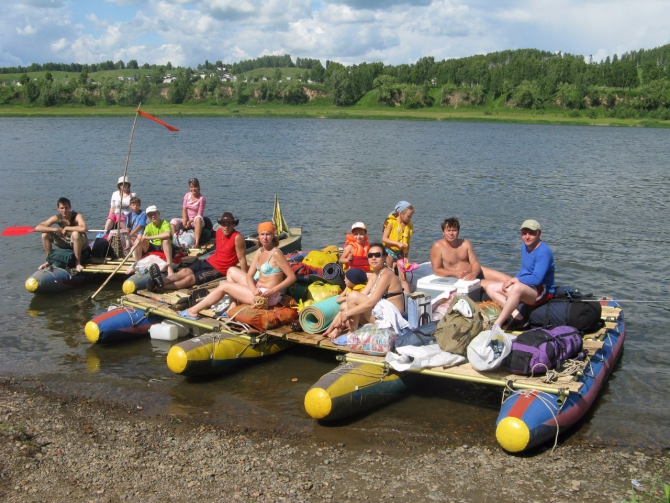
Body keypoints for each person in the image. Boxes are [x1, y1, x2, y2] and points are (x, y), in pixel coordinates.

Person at [178, 222, 296, 321]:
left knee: (224, 286)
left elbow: (291, 277)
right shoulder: (260, 251)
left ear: (273, 236)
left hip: (268, 297)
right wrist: (253, 289)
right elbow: (249, 276)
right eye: (262, 234)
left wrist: (272, 290)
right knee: (231, 270)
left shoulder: (276, 253)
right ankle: (232, 306)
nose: (265, 237)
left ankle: (193, 311)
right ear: (258, 236)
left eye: (268, 234)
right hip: (258, 290)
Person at [482, 219, 555, 329]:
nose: (527, 236)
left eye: (531, 233)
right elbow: (524, 271)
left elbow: (537, 279)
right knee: (491, 288)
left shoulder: (544, 252)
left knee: (517, 287)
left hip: (543, 291)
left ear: (539, 234)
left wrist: (515, 280)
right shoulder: (524, 246)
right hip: (528, 287)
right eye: (524, 233)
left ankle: (497, 324)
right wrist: (513, 280)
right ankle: (518, 317)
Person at [324, 243, 405, 338]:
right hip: (379, 312)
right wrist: (345, 311)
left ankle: (351, 333)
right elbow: (362, 295)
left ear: (384, 257)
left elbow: (370, 303)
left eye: (377, 255)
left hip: (389, 319)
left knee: (352, 298)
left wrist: (347, 314)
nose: (373, 258)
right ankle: (334, 329)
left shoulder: (386, 275)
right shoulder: (375, 275)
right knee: (345, 305)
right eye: (370, 256)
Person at [151, 212, 247, 291]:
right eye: (223, 224)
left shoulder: (237, 237)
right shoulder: (218, 232)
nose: (226, 227)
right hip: (209, 261)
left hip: (219, 269)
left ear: (234, 225)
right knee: (184, 271)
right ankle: (160, 281)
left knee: (189, 279)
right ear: (220, 225)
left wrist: (244, 280)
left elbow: (242, 259)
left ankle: (160, 286)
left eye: (229, 224)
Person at [35, 197, 88, 272]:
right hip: (66, 242)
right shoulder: (57, 218)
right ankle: (49, 260)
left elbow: (83, 228)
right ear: (58, 209)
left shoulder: (77, 216)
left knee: (75, 234)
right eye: (62, 208)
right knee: (45, 234)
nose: (64, 210)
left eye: (66, 208)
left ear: (70, 207)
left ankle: (77, 263)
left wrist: (67, 228)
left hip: (80, 242)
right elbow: (38, 227)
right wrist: (55, 229)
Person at [128, 205, 175, 276]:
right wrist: (140, 236)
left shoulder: (165, 223)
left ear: (158, 213)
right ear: (148, 217)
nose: (153, 216)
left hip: (164, 246)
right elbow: (144, 236)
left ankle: (169, 267)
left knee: (165, 239)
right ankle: (137, 265)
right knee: (138, 240)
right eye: (150, 215)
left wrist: (149, 238)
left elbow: (167, 234)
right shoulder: (148, 226)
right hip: (154, 246)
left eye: (154, 214)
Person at [170, 177, 206, 248]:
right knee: (173, 221)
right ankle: (173, 241)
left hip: (197, 220)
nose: (193, 189)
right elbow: (184, 209)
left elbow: (200, 214)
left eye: (195, 187)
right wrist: (185, 220)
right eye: (191, 187)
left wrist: (190, 221)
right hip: (187, 219)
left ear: (199, 187)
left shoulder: (202, 199)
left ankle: (196, 243)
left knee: (198, 219)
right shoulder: (187, 195)